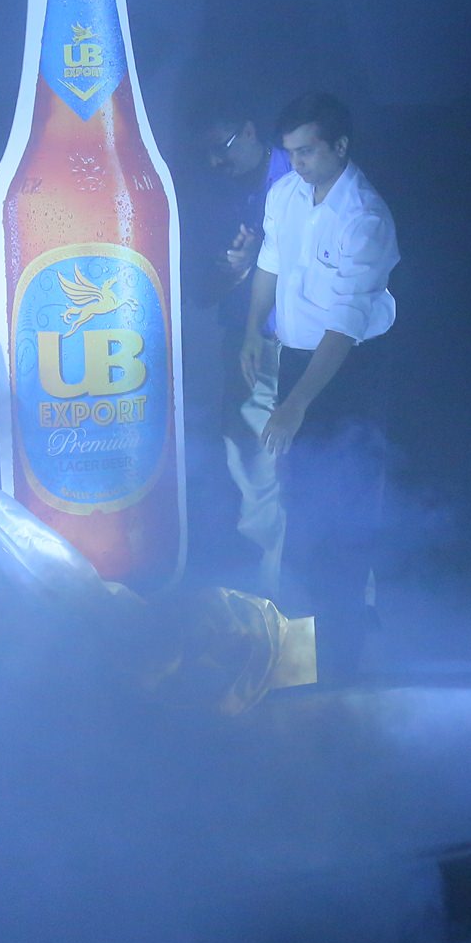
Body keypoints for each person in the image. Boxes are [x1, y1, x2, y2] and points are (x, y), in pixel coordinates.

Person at [243, 92, 399, 683]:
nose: (297, 162)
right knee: (301, 513)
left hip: (349, 373)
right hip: (295, 363)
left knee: (347, 515)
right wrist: (252, 331)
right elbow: (270, 262)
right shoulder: (284, 193)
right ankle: (301, 664)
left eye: (307, 151)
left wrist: (296, 405)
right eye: (290, 152)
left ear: (340, 146)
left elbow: (344, 327)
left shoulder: (365, 216)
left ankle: (343, 664)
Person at [192, 105, 294, 594]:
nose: (216, 162)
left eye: (222, 147)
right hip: (250, 350)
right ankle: (269, 602)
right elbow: (200, 293)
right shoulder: (214, 193)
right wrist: (234, 271)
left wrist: (267, 257)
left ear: (250, 130)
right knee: (254, 473)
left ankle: (350, 602)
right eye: (207, 154)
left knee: (332, 466)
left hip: (312, 346)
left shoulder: (302, 172)